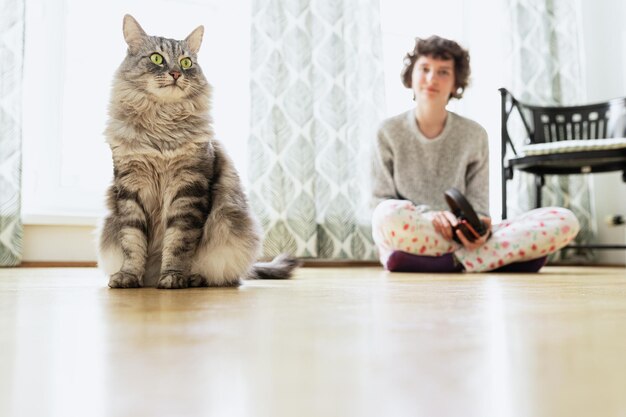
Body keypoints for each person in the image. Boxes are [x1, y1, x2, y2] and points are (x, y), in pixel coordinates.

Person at [371, 35, 580, 273]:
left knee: (564, 220)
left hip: (461, 237)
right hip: (414, 230)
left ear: (456, 83)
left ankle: (448, 262)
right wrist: (432, 217)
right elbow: (380, 202)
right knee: (386, 215)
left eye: (443, 72)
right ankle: (493, 259)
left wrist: (481, 227)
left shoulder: (474, 134)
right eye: (424, 69)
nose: (431, 79)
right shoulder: (387, 132)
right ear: (411, 76)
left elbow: (479, 206)